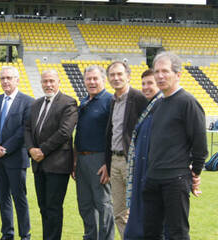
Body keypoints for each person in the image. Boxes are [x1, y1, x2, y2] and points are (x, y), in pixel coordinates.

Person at [143, 52, 207, 239]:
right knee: (151, 232)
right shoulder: (158, 104)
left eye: (165, 71)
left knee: (177, 233)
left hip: (175, 179)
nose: (160, 76)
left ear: (178, 75)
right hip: (153, 177)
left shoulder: (188, 102)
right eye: (157, 71)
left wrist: (194, 173)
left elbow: (200, 144)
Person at [24, 70, 78, 240]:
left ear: (58, 82)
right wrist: (31, 149)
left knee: (53, 207)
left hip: (57, 163)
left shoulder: (68, 102)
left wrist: (42, 150)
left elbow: (64, 132)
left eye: (51, 81)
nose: (48, 84)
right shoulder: (36, 104)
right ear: (41, 83)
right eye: (45, 81)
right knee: (43, 206)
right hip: (39, 164)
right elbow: (27, 128)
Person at [0, 66, 33, 240]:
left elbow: (23, 130)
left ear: (17, 80)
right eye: (2, 78)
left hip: (15, 159)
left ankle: (25, 235)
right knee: (3, 198)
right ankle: (7, 234)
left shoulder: (28, 101)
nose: (5, 81)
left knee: (19, 199)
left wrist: (3, 149)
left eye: (9, 78)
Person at [104, 61, 148, 236]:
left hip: (133, 162)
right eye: (112, 75)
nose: (116, 78)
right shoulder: (113, 101)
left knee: (137, 211)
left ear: (128, 76)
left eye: (119, 74)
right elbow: (112, 133)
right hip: (115, 162)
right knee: (119, 213)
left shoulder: (139, 98)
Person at [74, 65, 114, 240]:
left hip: (100, 160)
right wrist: (75, 161)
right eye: (88, 79)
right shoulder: (83, 102)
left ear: (103, 80)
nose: (91, 82)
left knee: (103, 205)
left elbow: (114, 134)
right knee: (85, 205)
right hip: (82, 159)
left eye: (95, 78)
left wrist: (108, 163)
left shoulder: (110, 101)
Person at [124, 69, 163, 239]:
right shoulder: (149, 107)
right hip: (141, 174)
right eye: (144, 84)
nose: (146, 87)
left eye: (150, 83)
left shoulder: (162, 107)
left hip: (154, 176)